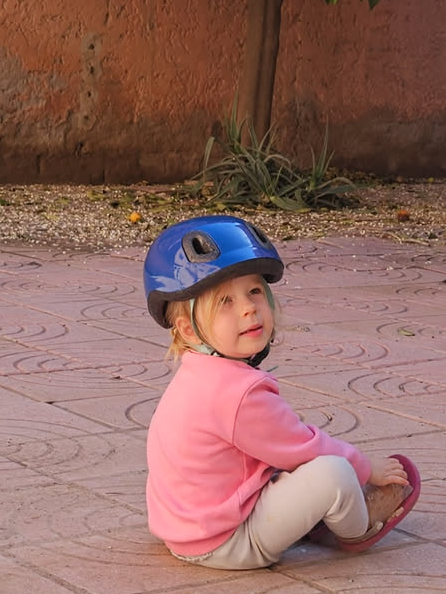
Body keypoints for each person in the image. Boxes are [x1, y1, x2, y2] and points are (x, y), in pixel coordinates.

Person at [143, 215, 421, 570]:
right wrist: (365, 468)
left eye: (254, 292)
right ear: (188, 330)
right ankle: (357, 527)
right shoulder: (238, 394)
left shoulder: (195, 375)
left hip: (187, 530)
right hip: (228, 541)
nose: (248, 308)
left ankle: (312, 514)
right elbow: (304, 446)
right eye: (225, 301)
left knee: (280, 464)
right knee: (333, 472)